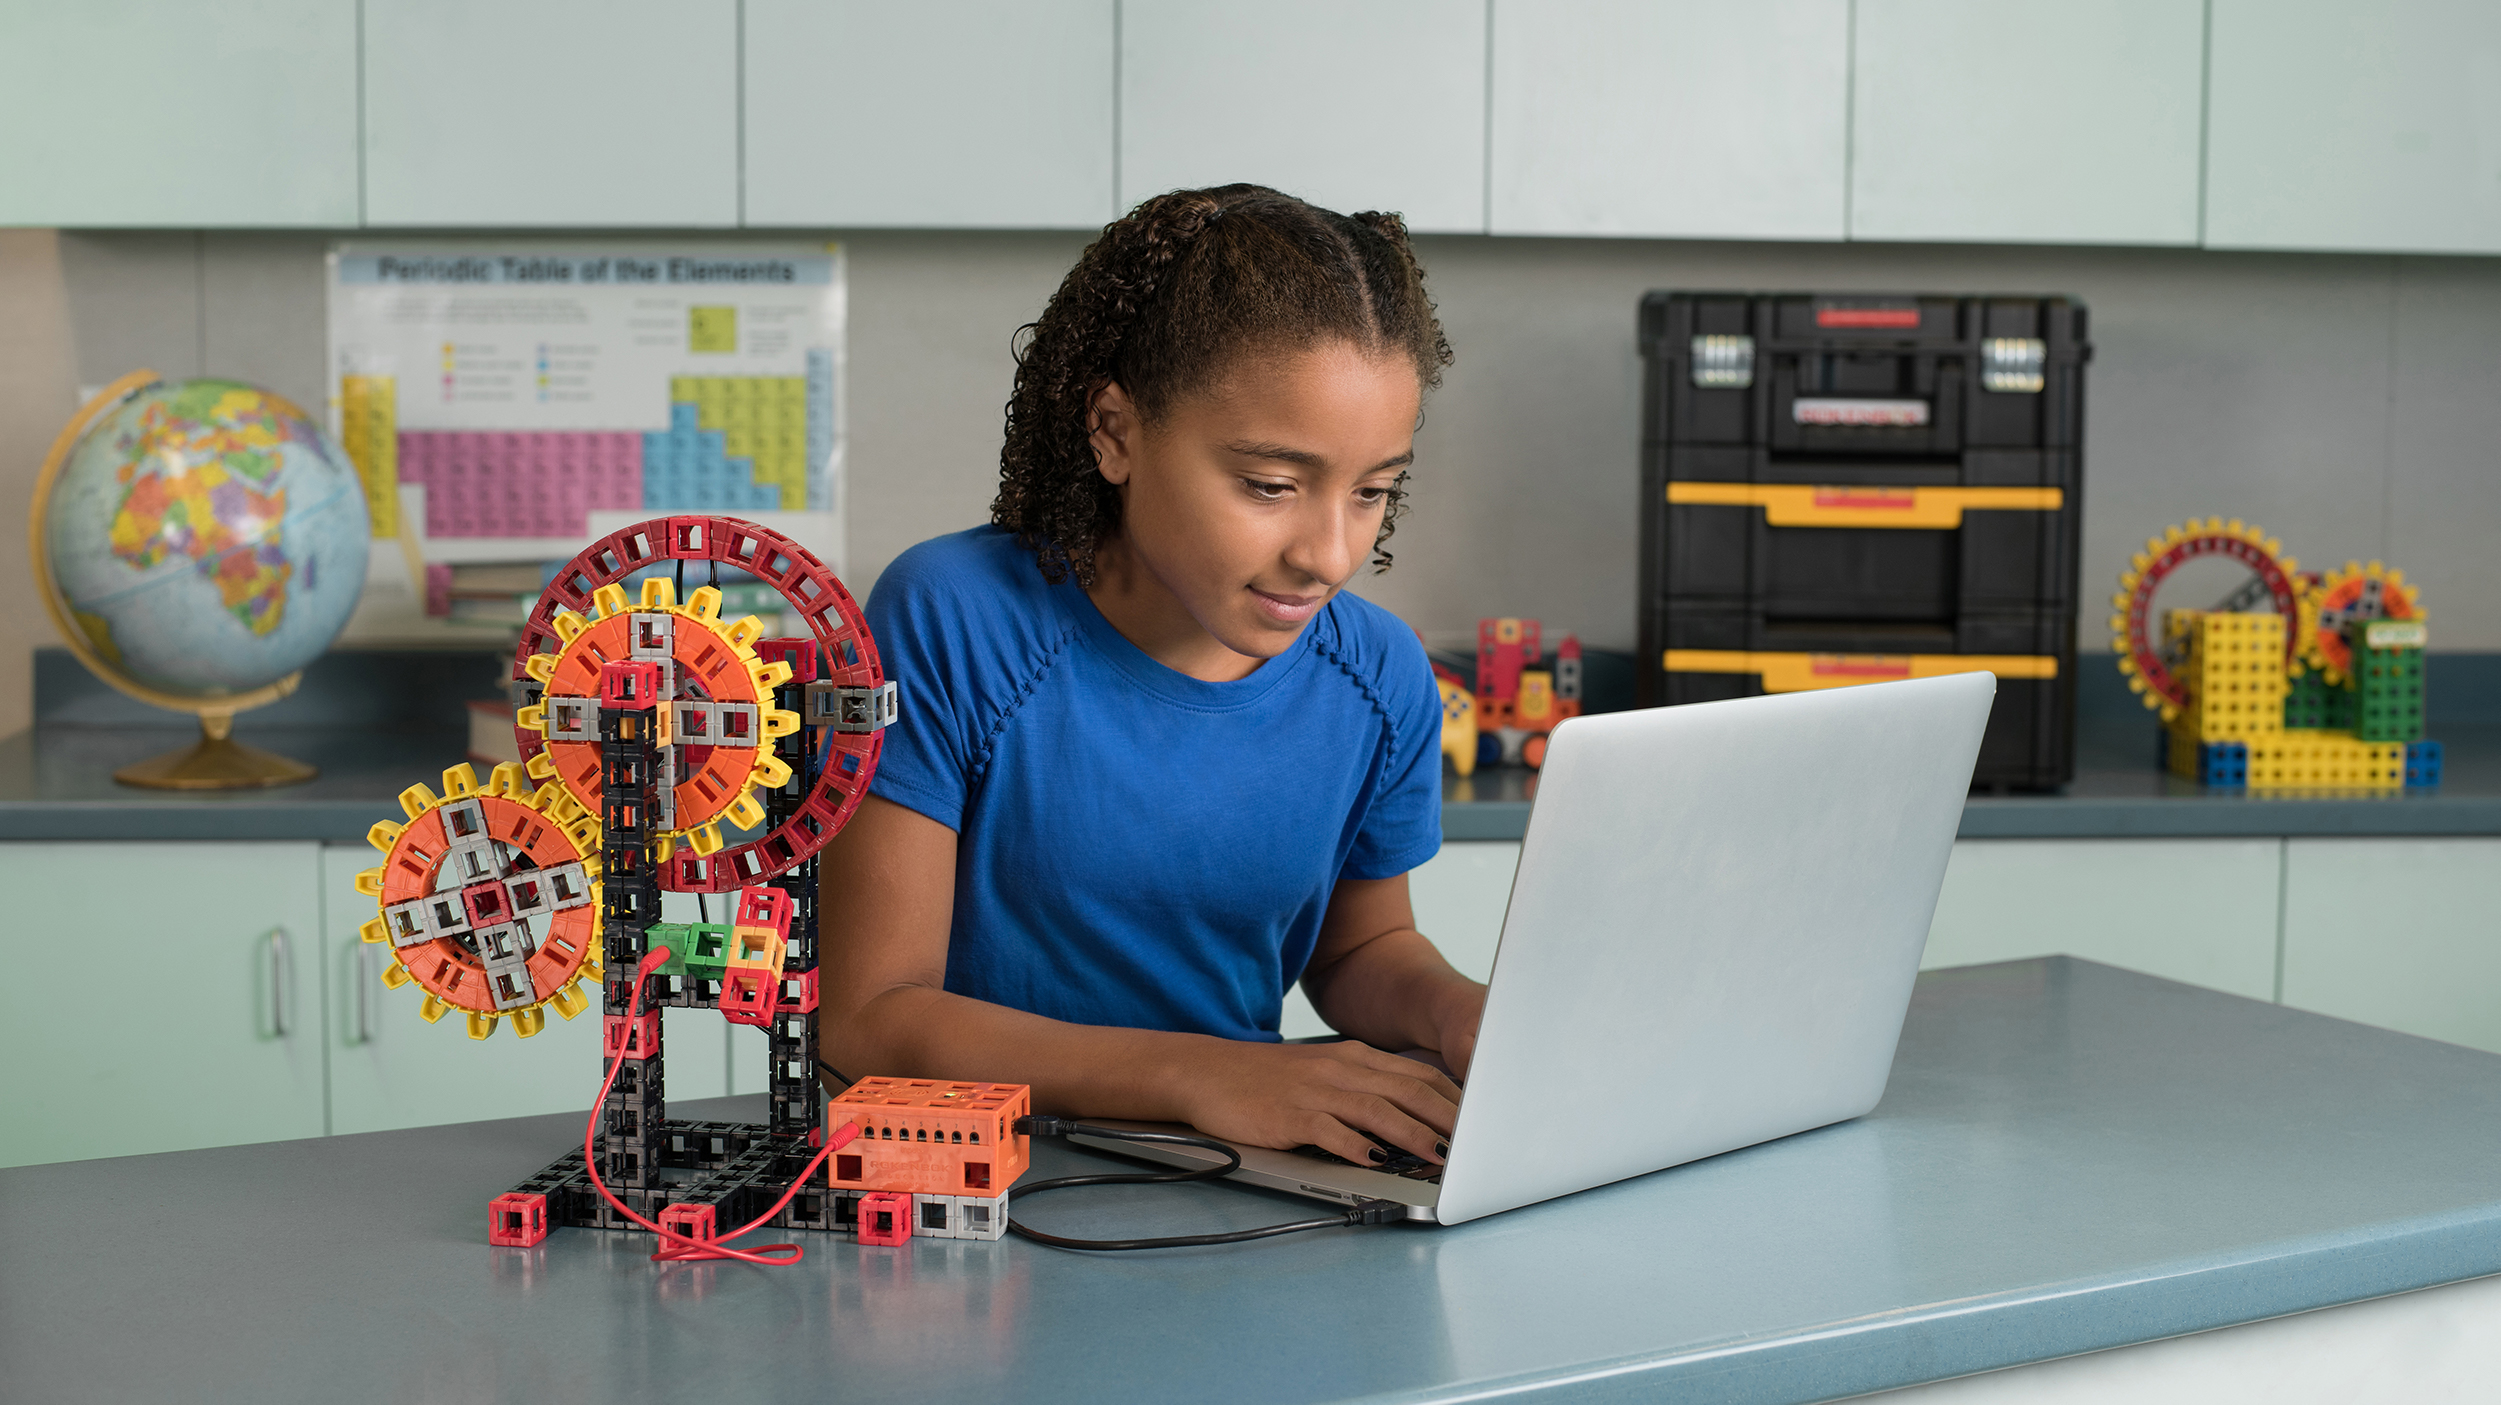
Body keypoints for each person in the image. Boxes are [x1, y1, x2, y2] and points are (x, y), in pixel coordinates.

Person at [818, 184, 1482, 1169]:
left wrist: (1462, 1013)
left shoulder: (1379, 677)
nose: (1328, 554)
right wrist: (1205, 1074)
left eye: (1374, 491)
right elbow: (870, 1019)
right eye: (1269, 485)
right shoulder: (953, 617)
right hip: (979, 1189)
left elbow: (1355, 952)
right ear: (1115, 431)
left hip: (1248, 1182)